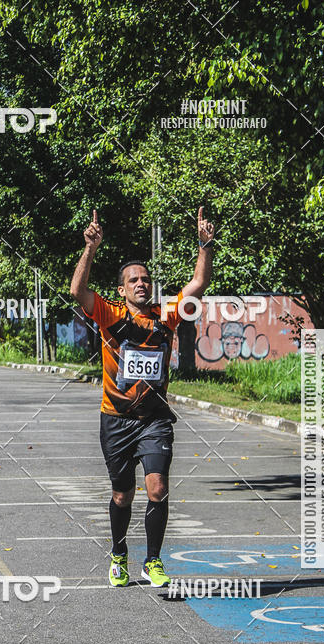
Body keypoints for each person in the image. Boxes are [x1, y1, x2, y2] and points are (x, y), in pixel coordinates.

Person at [70, 207, 214, 587]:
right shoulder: (109, 314)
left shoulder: (165, 315)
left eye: (145, 279)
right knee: (122, 495)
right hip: (116, 419)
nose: (141, 284)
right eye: (133, 280)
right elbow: (77, 291)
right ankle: (119, 554)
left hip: (154, 419)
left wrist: (204, 245)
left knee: (158, 488)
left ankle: (153, 561)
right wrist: (90, 248)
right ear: (121, 289)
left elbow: (198, 283)